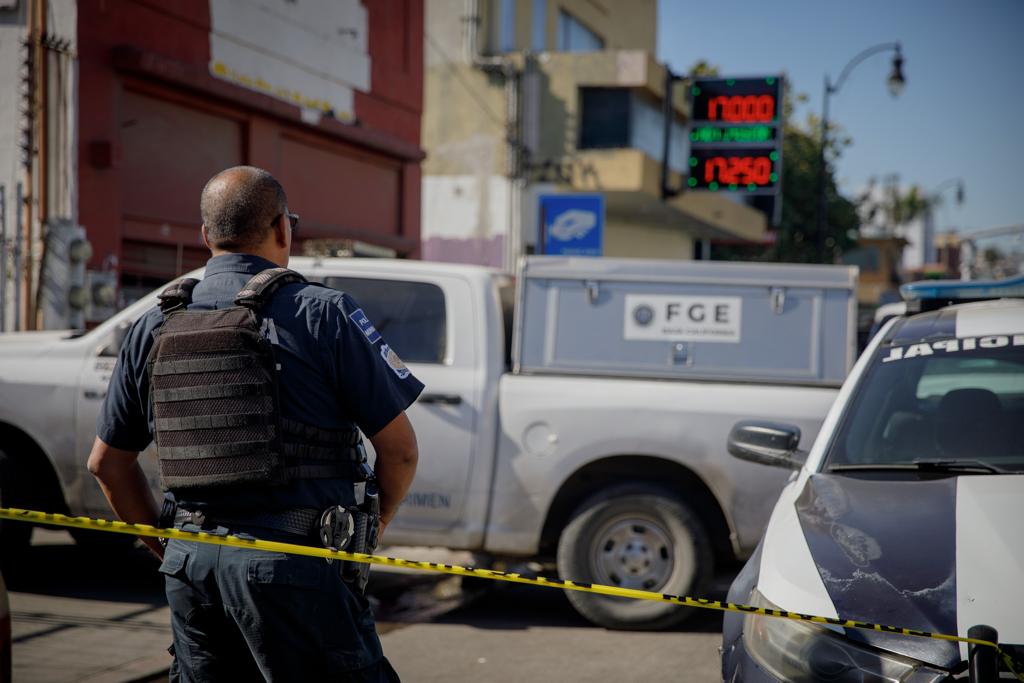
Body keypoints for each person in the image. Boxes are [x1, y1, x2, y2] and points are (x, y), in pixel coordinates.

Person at [87, 166, 421, 681]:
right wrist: (377, 522)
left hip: (190, 568)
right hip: (294, 568)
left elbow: (107, 463)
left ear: (205, 236)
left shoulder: (154, 322)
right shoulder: (322, 313)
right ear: (283, 228)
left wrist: (167, 543)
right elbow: (399, 452)